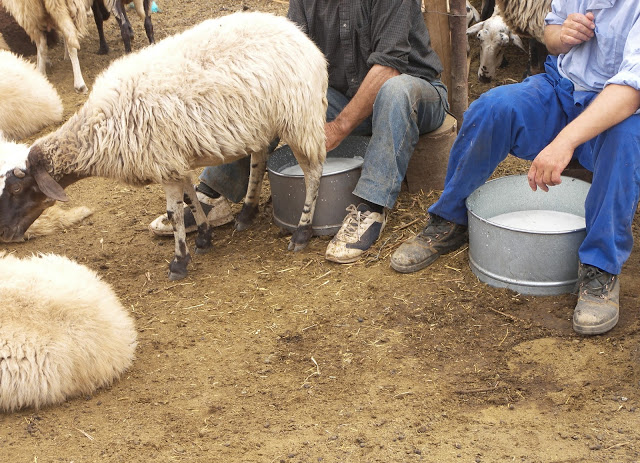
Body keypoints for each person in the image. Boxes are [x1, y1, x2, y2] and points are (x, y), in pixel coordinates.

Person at [390, 0, 640, 336]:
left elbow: (630, 91)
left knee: (625, 144)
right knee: (490, 108)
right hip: (561, 88)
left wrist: (563, 143)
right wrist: (562, 36)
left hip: (618, 107)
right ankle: (450, 219)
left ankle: (600, 268)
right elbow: (550, 33)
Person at [149, 0, 449, 263]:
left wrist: (338, 128)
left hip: (415, 94)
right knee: (272, 89)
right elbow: (287, 59)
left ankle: (371, 208)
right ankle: (216, 192)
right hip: (340, 95)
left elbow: (388, 67)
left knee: (395, 90)